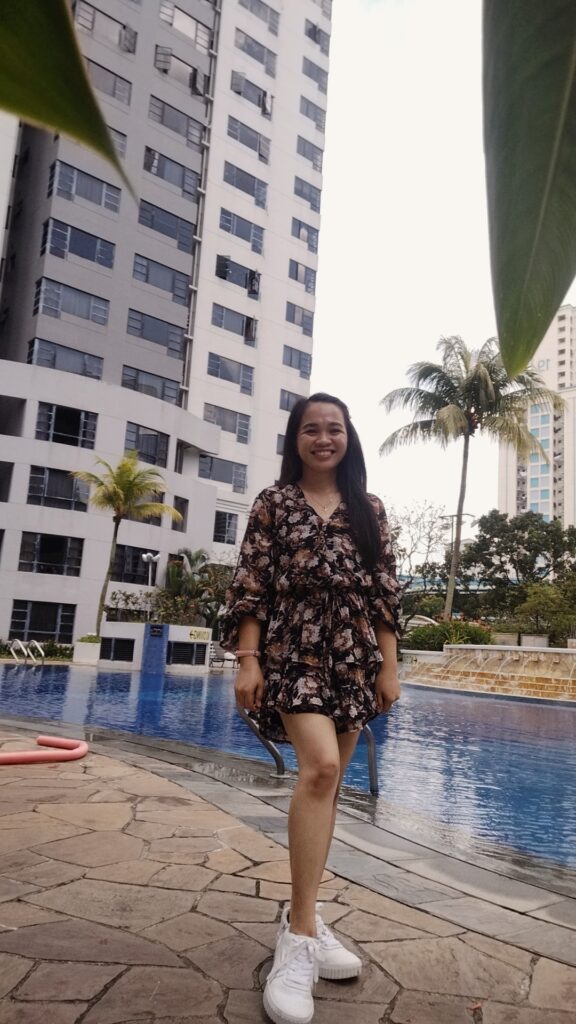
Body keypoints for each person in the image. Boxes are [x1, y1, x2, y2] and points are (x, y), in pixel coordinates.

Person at [220, 392, 401, 1024]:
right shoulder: (273, 503)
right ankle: (298, 940)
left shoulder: (368, 508)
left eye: (334, 429)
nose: (324, 438)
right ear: (294, 439)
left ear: (348, 437)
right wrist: (248, 660)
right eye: (310, 429)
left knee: (329, 784)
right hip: (291, 649)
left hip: (352, 655)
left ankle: (306, 917)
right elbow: (251, 584)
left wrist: (389, 665)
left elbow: (384, 593)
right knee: (320, 769)